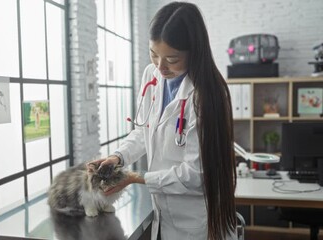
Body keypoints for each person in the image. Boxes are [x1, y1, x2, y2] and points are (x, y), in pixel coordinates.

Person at [89, 2, 237, 239]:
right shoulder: (152, 75)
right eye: (153, 54)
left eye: (172, 58)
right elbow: (144, 131)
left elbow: (195, 175)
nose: (160, 66)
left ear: (194, 52)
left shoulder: (207, 95)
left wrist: (137, 177)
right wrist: (119, 157)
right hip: (164, 214)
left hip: (197, 220)